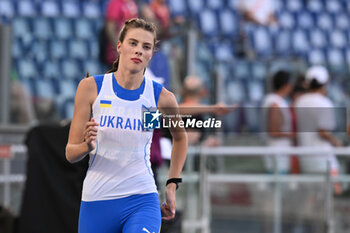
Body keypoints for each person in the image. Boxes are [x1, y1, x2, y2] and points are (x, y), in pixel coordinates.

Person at [66, 18, 188, 233]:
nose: (139, 50)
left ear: (152, 53)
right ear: (119, 46)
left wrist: (172, 183)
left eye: (146, 47)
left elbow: (180, 137)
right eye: (133, 43)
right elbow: (70, 153)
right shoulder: (91, 88)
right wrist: (87, 146)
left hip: (142, 198)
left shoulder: (161, 97)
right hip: (97, 200)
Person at [295, 66, 342, 194]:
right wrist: (336, 142)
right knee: (334, 194)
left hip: (305, 158)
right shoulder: (324, 102)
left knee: (313, 197)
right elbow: (322, 131)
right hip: (323, 158)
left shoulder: (300, 101)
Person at [262, 70, 294, 174]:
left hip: (279, 154)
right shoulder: (275, 103)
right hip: (276, 154)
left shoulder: (278, 101)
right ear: (286, 85)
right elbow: (273, 131)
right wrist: (292, 135)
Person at [101, 0, 139, 67]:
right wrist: (119, 48)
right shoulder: (116, 3)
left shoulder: (133, 3)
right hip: (116, 55)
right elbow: (110, 28)